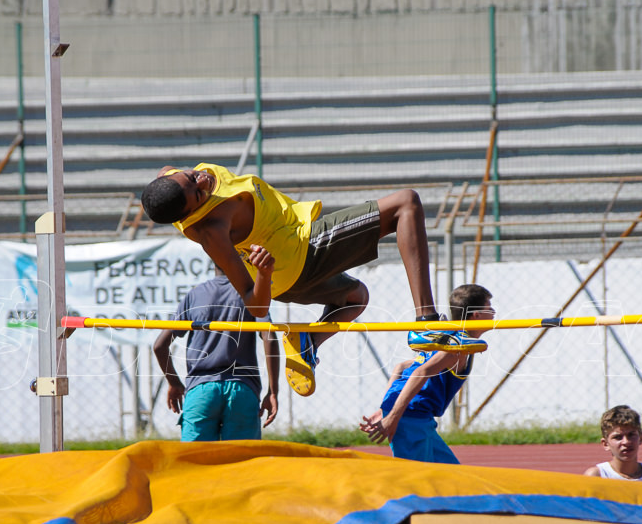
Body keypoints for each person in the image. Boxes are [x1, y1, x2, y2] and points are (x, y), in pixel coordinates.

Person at [140, 163, 486, 396]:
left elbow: (175, 185)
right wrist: (262, 271)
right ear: (190, 211)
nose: (201, 180)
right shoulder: (210, 230)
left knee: (355, 298)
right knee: (406, 204)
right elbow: (256, 306)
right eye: (198, 193)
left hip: (291, 277)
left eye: (191, 176)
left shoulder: (168, 180)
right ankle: (426, 322)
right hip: (300, 251)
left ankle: (308, 341)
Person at [359, 284, 495, 463]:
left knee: (452, 478)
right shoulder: (456, 348)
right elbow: (421, 371)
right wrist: (391, 416)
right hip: (411, 418)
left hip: (420, 419)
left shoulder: (447, 337)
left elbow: (400, 368)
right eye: (489, 308)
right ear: (476, 315)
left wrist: (385, 408)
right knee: (417, 480)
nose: (494, 313)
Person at [152, 267, 280, 442]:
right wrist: (273, 391)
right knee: (242, 464)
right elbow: (270, 338)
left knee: (194, 463)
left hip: (201, 391)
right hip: (241, 390)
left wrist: (174, 382)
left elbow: (159, 346)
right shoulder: (251, 294)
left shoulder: (195, 295)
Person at [583, 405, 642, 485]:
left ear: (640, 438)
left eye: (631, 435)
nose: (626, 442)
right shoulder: (597, 476)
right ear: (606, 444)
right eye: (618, 437)